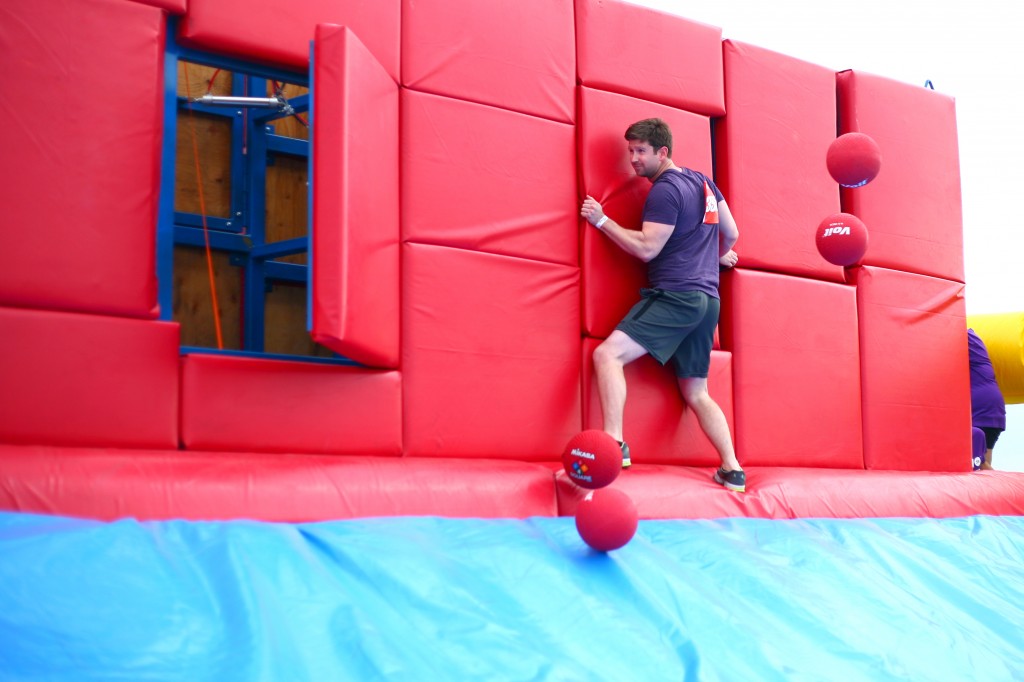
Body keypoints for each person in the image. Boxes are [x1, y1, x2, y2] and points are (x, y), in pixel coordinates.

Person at [580, 118, 744, 492]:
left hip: (678, 295)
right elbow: (731, 234)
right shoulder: (704, 182)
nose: (633, 160)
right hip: (708, 302)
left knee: (607, 356)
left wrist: (601, 219)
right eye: (630, 151)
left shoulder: (665, 191)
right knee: (696, 391)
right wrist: (716, 257)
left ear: (662, 152)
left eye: (641, 152)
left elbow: (646, 248)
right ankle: (732, 469)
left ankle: (614, 444)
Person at [967, 328, 1006, 470]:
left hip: (982, 410)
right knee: (982, 466)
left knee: (980, 465)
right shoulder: (974, 341)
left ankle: (1007, 488)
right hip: (991, 411)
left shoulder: (964, 335)